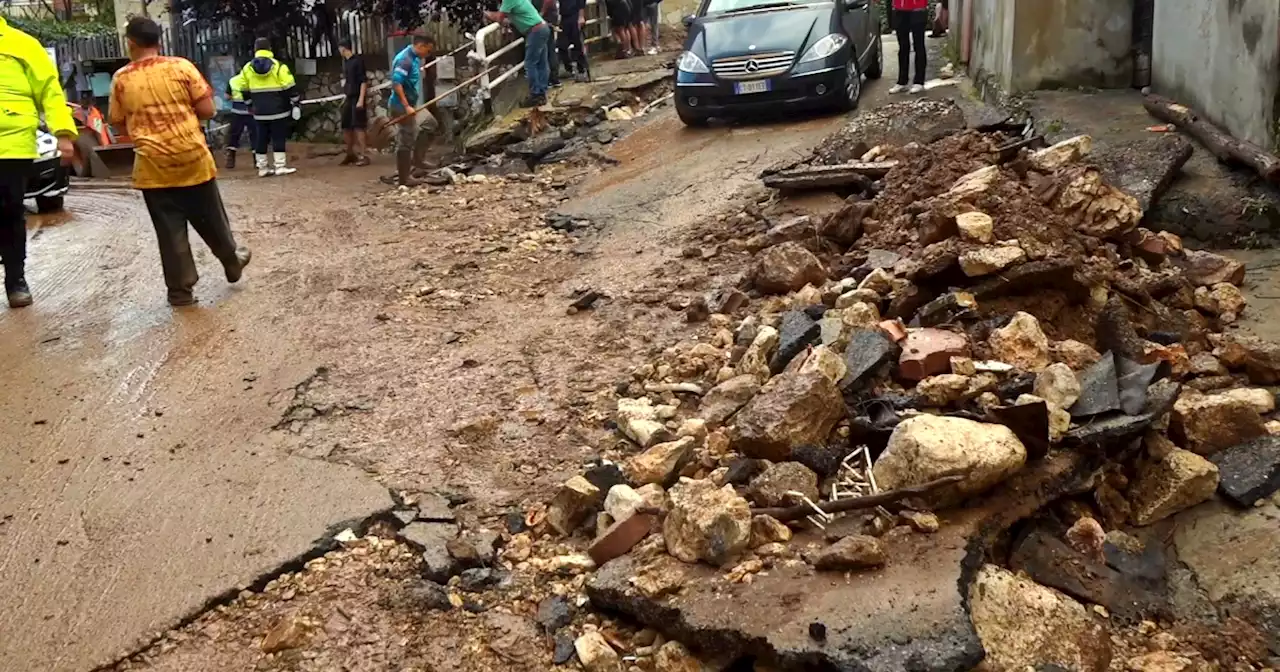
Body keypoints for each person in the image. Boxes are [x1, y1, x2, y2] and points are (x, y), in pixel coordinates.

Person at [108, 16, 251, 307]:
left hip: (152, 166)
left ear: (131, 43)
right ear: (158, 41)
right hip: (191, 158)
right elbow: (208, 110)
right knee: (211, 217)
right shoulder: (181, 67)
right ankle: (231, 261)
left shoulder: (122, 78)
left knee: (169, 228)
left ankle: (180, 291)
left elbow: (117, 122)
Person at [0, 16, 75, 308]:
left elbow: (50, 90)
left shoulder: (23, 44)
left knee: (9, 211)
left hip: (12, 143)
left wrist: (63, 133)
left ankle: (15, 280)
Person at [239, 37, 298, 177]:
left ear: (255, 49)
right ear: (270, 49)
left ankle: (262, 168)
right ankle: (280, 166)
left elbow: (243, 87)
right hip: (278, 109)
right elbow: (289, 86)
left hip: (259, 110)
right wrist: (295, 103)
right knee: (278, 136)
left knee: (261, 138)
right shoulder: (278, 66)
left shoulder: (247, 68)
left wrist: (249, 105)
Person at [386, 33, 435, 187]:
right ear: (420, 45)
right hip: (401, 106)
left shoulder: (413, 58)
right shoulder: (404, 60)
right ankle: (404, 178)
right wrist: (406, 106)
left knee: (430, 124)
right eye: (427, 50)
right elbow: (396, 83)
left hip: (412, 104)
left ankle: (418, 160)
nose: (428, 54)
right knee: (406, 140)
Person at [486, 0, 551, 106]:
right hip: (542, 27)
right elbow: (516, 15)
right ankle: (541, 93)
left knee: (530, 64)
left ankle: (536, 95)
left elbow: (499, 18)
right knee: (541, 63)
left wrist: (488, 14)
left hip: (535, 31)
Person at [337, 38, 370, 166]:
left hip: (357, 97)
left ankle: (364, 155)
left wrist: (361, 100)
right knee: (346, 125)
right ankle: (350, 153)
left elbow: (363, 81)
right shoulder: (345, 63)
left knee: (359, 126)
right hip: (349, 97)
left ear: (343, 48)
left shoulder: (357, 61)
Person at [889, 0, 928, 95]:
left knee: (918, 45)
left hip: (918, 7)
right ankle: (902, 81)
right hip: (899, 8)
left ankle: (919, 81)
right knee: (903, 46)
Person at [224, 70, 256, 169]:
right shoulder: (254, 80)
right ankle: (258, 160)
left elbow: (227, 97)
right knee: (255, 135)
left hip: (237, 112)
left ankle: (230, 159)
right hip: (252, 113)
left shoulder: (233, 80)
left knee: (234, 135)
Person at [558, 0, 590, 81]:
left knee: (578, 44)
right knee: (561, 44)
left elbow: (581, 2)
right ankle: (569, 68)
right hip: (564, 17)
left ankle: (582, 70)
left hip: (575, 16)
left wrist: (581, 16)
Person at [540, 0, 562, 88]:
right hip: (549, 16)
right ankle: (553, 78)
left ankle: (550, 78)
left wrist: (541, 12)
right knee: (550, 48)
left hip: (545, 18)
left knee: (547, 50)